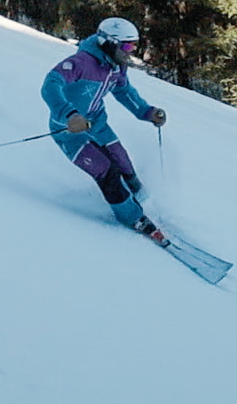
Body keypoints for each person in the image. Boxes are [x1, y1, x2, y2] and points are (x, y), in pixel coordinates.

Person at [42, 16, 168, 241]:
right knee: (106, 170)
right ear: (108, 43)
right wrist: (69, 115)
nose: (130, 52)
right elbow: (50, 84)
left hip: (97, 123)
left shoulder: (116, 66)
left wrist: (147, 112)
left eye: (134, 47)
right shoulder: (82, 62)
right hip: (69, 131)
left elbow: (124, 91)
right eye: (127, 47)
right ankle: (132, 217)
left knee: (122, 161)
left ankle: (143, 200)